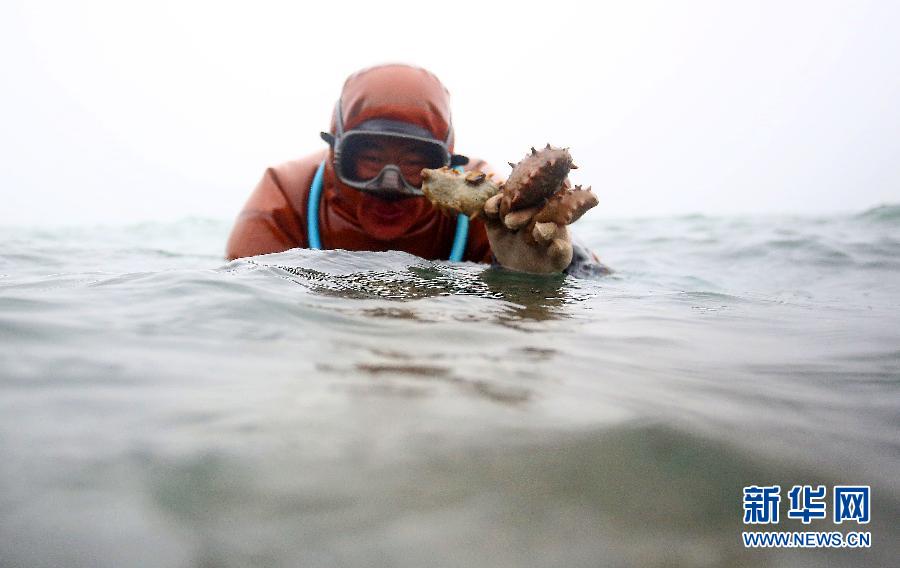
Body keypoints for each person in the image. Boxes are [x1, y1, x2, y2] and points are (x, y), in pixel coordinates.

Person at [226, 64, 607, 276]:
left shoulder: (489, 209)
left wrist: (545, 274)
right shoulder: (283, 201)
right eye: (369, 158)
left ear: (448, 162)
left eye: (415, 164)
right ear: (336, 150)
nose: (388, 184)